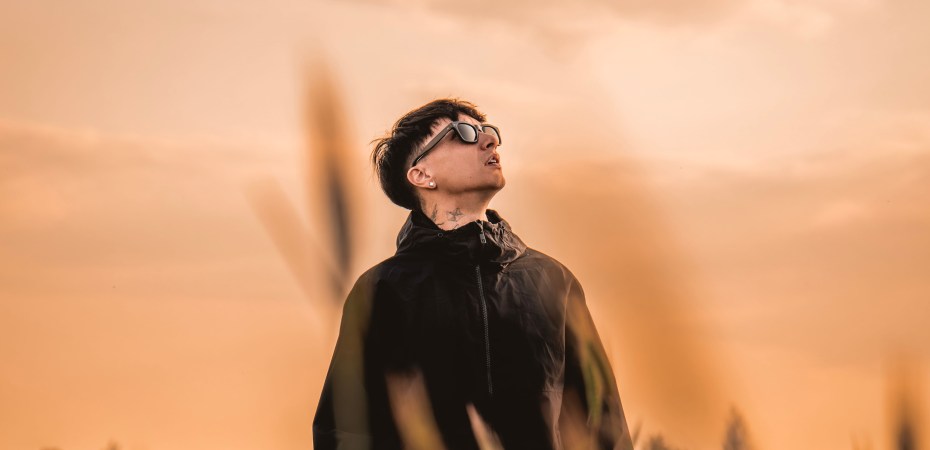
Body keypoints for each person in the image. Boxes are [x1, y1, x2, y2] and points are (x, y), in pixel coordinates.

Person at [312, 98, 633, 450]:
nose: (490, 141)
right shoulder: (383, 290)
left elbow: (602, 421)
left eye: (488, 132)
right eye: (463, 133)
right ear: (422, 175)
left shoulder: (553, 280)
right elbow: (345, 430)